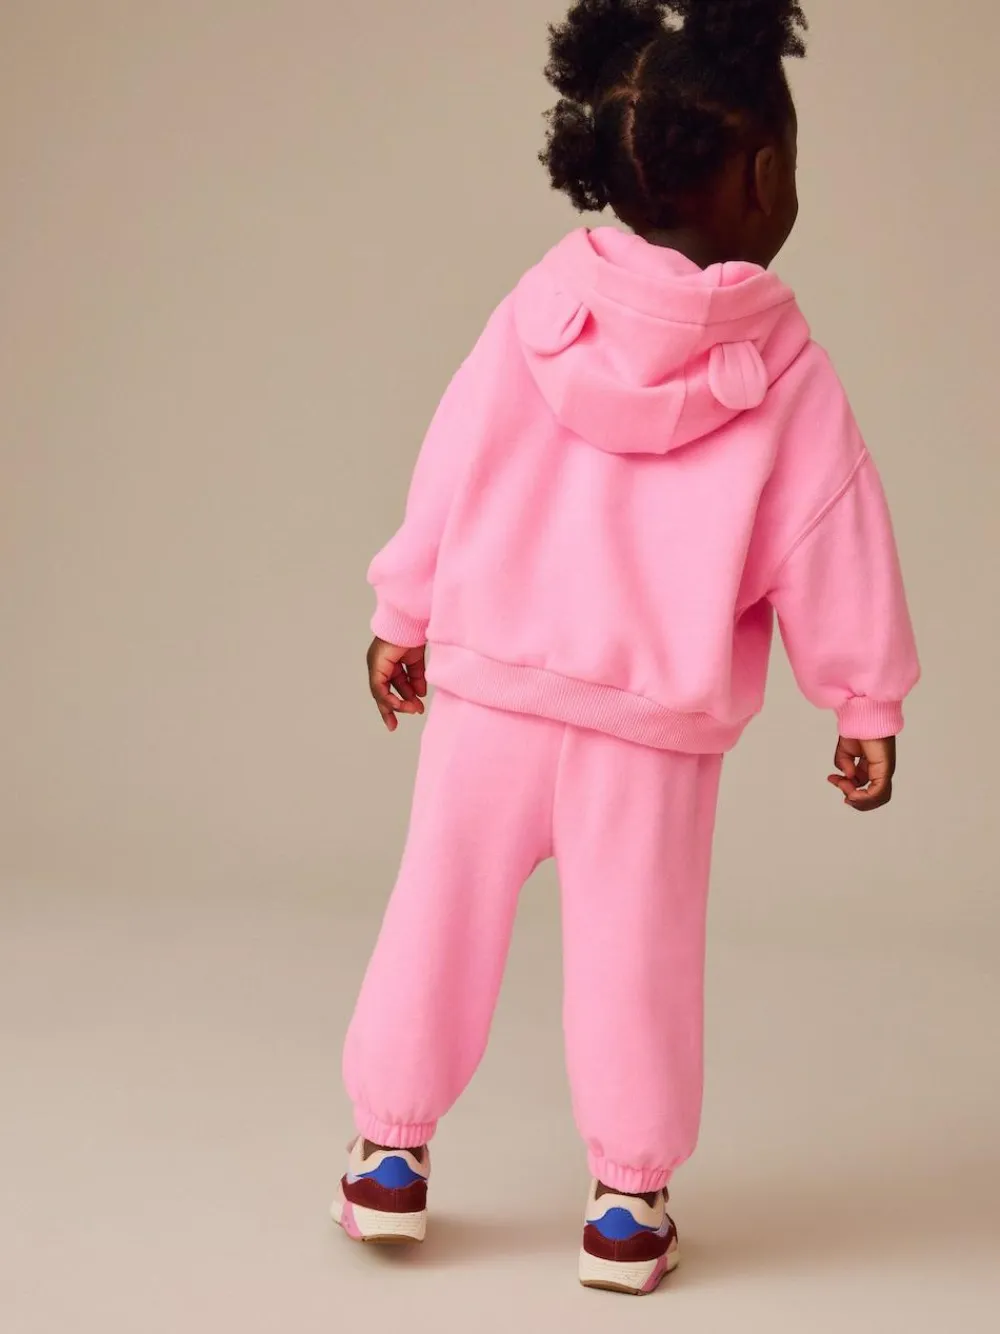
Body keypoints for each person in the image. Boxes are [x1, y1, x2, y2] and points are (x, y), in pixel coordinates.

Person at [332, 0, 919, 1296]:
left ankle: (389, 1156)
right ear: (761, 176)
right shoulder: (790, 376)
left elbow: (451, 464)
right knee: (636, 955)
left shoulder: (535, 313)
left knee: (438, 914)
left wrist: (401, 613)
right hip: (651, 728)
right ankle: (628, 1201)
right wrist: (862, 700)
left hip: (494, 689)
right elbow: (832, 536)